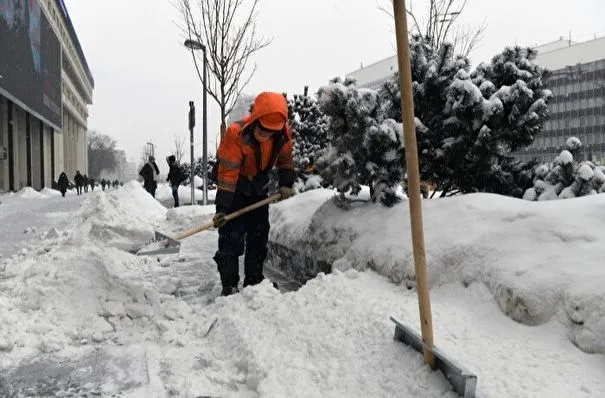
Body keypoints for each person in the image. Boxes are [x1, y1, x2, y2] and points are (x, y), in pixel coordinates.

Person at [212, 92, 296, 297]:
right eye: (262, 130)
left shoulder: (283, 134)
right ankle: (229, 285)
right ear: (255, 119)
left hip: (259, 188)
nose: (265, 135)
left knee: (259, 236)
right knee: (231, 237)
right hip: (235, 189)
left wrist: (286, 183)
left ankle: (254, 281)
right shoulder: (236, 133)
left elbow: (285, 159)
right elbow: (227, 174)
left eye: (270, 132)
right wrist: (222, 209)